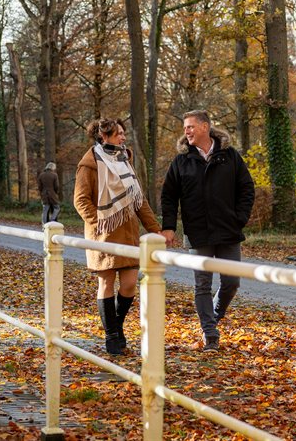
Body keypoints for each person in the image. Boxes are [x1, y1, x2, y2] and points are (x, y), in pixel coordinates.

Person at [160, 110, 255, 351]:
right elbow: (169, 196)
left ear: (205, 127)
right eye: (185, 128)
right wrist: (168, 228)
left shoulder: (229, 156)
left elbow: (246, 188)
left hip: (228, 231)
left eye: (190, 127)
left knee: (232, 282)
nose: (187, 132)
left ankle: (214, 315)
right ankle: (210, 332)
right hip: (198, 232)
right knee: (202, 284)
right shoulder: (181, 161)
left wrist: (239, 219)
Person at [74, 117, 162, 355]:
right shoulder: (89, 165)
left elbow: (138, 200)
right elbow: (81, 201)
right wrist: (99, 224)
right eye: (119, 134)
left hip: (128, 232)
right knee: (106, 283)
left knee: (130, 284)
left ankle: (116, 326)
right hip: (103, 234)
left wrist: (156, 229)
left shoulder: (125, 161)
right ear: (104, 136)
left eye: (123, 133)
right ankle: (112, 335)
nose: (123, 138)